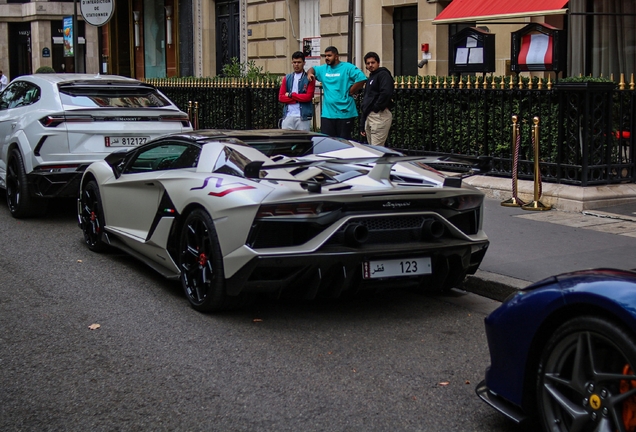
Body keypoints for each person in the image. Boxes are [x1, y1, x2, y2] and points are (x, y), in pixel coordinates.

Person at [307, 46, 367, 139]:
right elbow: (312, 69)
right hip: (328, 114)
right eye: (325, 56)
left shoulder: (347, 67)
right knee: (327, 142)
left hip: (345, 112)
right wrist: (310, 73)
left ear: (336, 56)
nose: (327, 58)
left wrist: (351, 91)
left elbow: (362, 78)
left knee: (343, 143)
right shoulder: (323, 69)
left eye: (329, 55)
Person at [360, 52, 394, 146]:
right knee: (372, 150)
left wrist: (376, 107)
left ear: (378, 63)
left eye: (373, 62)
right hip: (370, 116)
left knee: (376, 149)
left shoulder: (383, 75)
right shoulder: (371, 77)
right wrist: (362, 124)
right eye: (368, 63)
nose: (370, 65)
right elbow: (367, 100)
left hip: (379, 115)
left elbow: (386, 92)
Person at [278, 51, 316, 131]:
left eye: (299, 62)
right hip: (288, 115)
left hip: (303, 117)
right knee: (287, 141)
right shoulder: (287, 78)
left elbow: (308, 97)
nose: (296, 65)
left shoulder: (309, 78)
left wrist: (291, 95)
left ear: (304, 63)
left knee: (303, 141)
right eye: (294, 62)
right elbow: (281, 97)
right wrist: (298, 99)